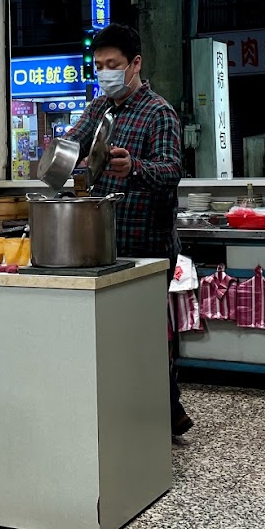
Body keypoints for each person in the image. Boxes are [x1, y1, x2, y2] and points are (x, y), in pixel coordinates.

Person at [65, 23, 190, 436]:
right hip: (105, 240)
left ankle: (158, 415)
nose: (105, 73)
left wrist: (134, 166)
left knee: (144, 333)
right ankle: (149, 414)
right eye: (99, 66)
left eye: (112, 64)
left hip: (147, 242)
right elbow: (73, 142)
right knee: (116, 332)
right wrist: (60, 157)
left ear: (135, 64)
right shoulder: (99, 108)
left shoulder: (159, 113)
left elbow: (171, 170)